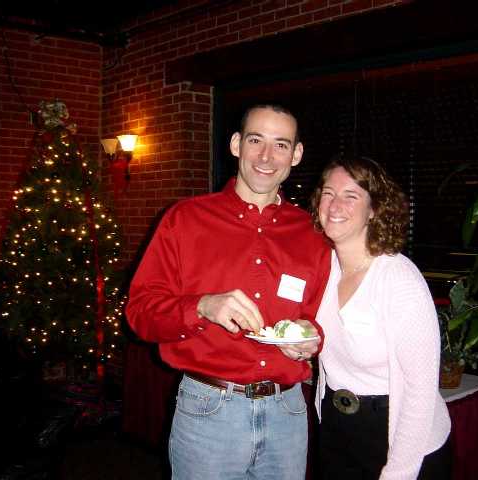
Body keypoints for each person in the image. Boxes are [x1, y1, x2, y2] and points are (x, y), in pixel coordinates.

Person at [126, 104, 331, 479]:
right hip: (209, 411)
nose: (266, 157)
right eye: (255, 140)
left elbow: (317, 319)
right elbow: (140, 313)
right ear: (236, 144)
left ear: (296, 154)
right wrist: (202, 307)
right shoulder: (185, 219)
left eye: (281, 144)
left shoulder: (312, 233)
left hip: (287, 414)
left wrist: (310, 338)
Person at [311, 155, 451, 479]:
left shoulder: (398, 279)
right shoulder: (324, 268)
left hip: (400, 435)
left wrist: (399, 471)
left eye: (351, 195)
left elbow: (420, 390)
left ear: (373, 209)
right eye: (328, 193)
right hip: (336, 428)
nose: (335, 205)